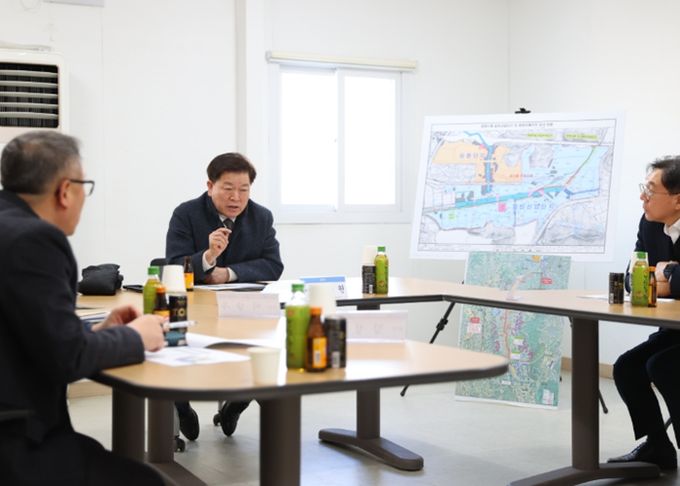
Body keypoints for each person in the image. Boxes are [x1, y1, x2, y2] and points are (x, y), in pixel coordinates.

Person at [0, 131, 167, 485]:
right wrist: (136, 337)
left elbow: (31, 333)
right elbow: (68, 358)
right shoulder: (35, 240)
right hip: (16, 442)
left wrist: (96, 333)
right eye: (84, 187)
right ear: (65, 191)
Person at [165, 152, 283, 440]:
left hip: (245, 310)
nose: (236, 197)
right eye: (228, 188)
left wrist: (228, 273)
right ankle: (183, 410)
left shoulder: (261, 216)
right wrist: (207, 257)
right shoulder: (186, 213)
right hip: (195, 308)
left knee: (263, 357)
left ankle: (235, 406)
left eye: (244, 189)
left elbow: (273, 265)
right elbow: (174, 264)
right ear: (210, 186)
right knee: (172, 349)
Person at [608, 156, 680, 470]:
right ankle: (658, 446)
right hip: (673, 330)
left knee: (664, 366)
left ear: (677, 200)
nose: (642, 197)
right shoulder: (649, 224)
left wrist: (668, 275)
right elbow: (631, 277)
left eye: (650, 190)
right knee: (627, 366)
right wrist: (666, 276)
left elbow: (653, 278)